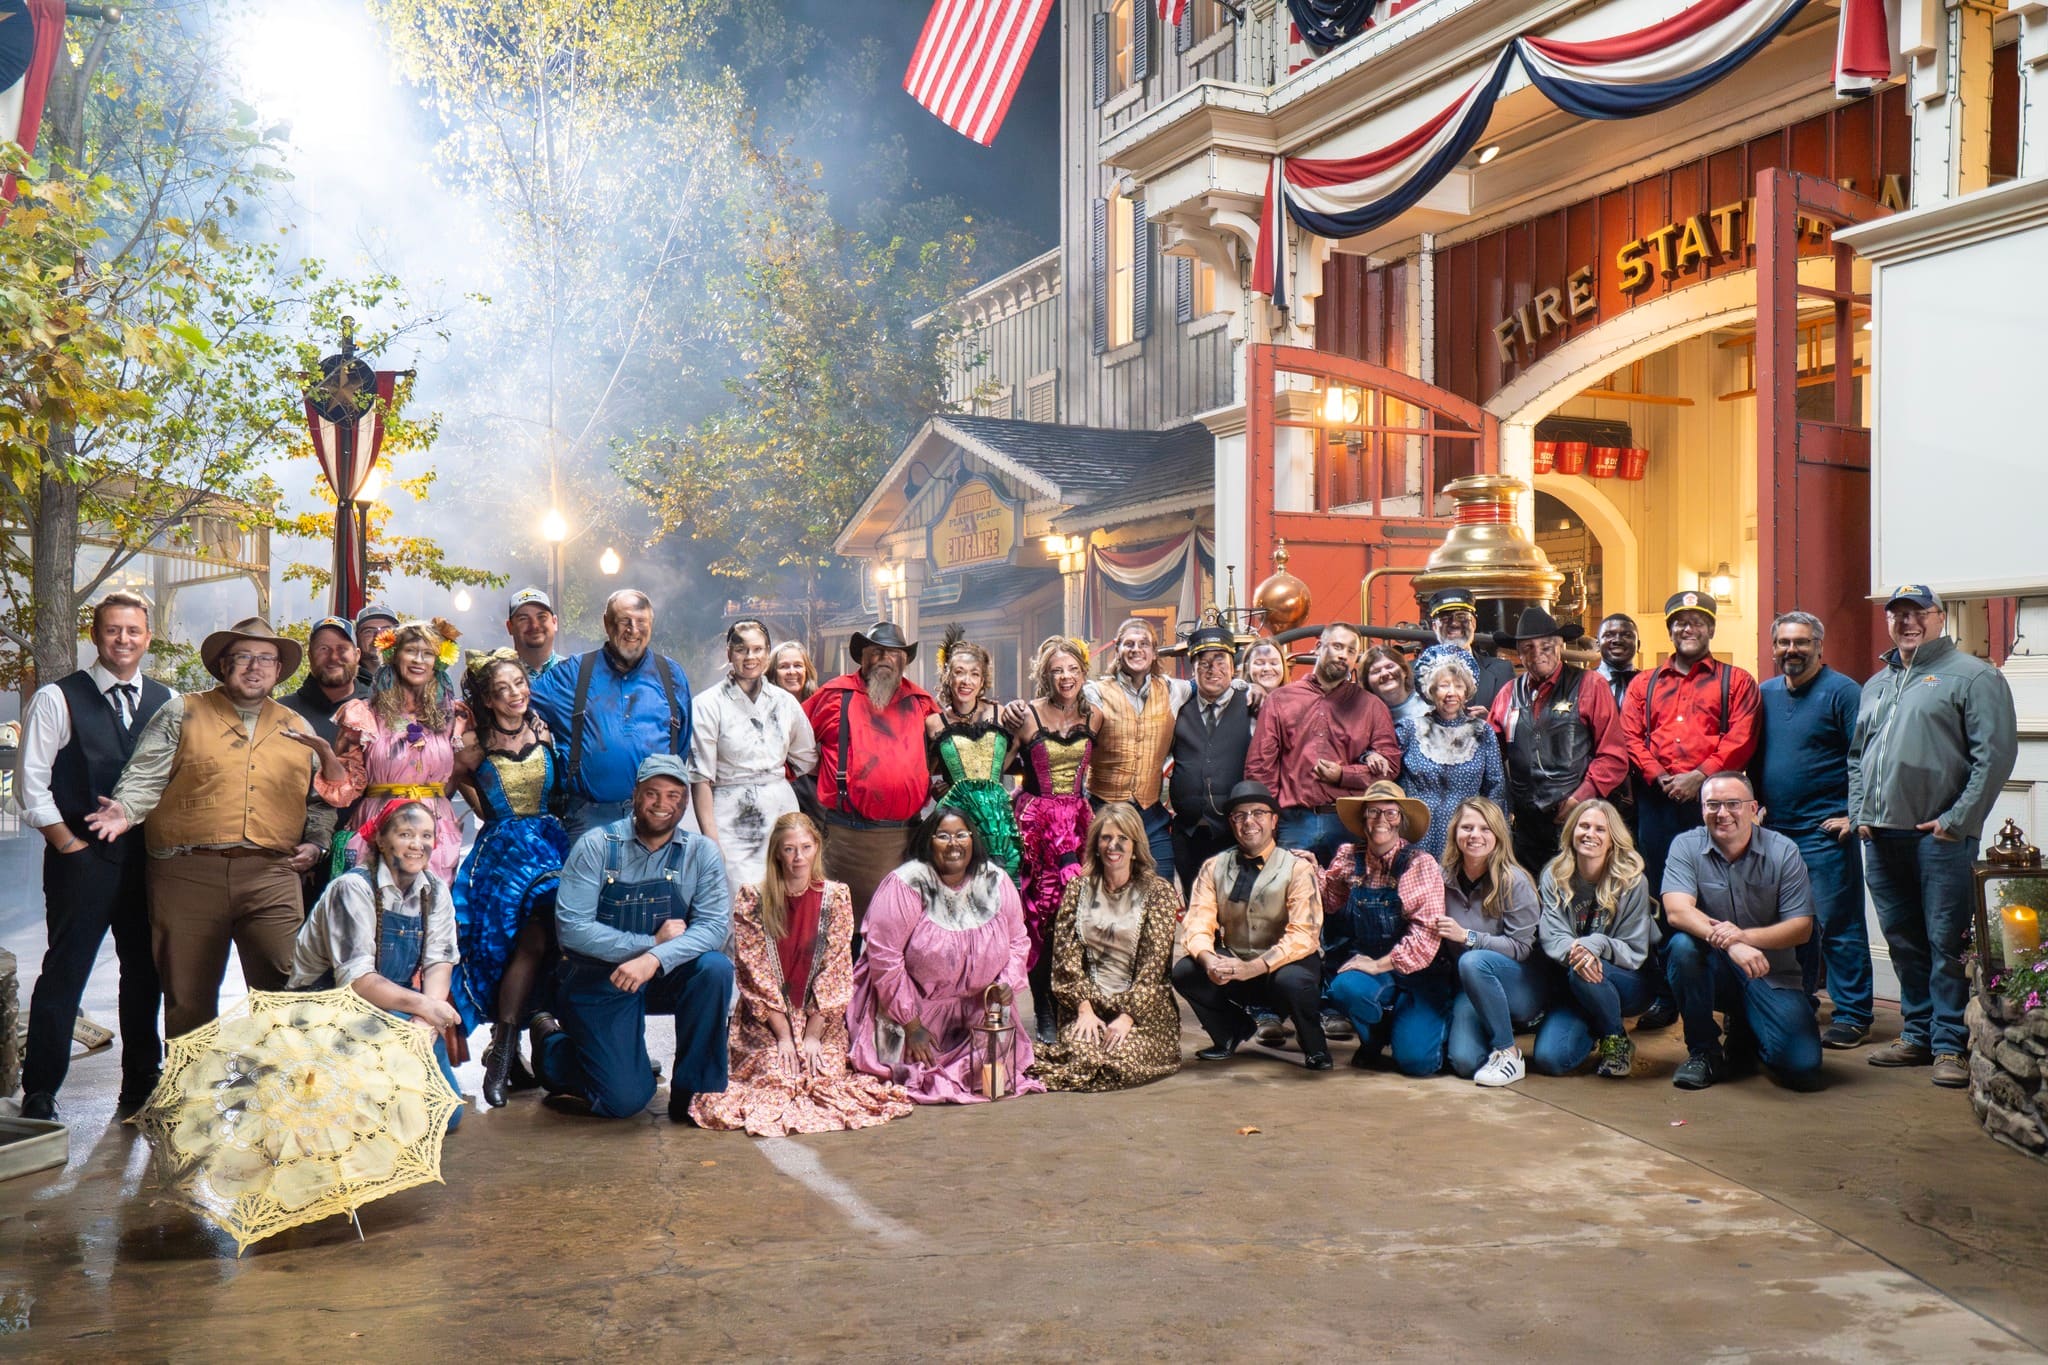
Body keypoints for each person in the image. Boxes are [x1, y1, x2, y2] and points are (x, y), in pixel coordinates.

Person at [84, 618, 341, 1039]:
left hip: (272, 874)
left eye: (265, 659)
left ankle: (278, 1096)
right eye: (243, 657)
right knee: (188, 996)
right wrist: (126, 810)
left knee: (287, 988)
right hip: (186, 873)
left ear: (278, 671)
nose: (254, 667)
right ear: (224, 665)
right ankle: (190, 1098)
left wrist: (315, 844)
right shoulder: (182, 711)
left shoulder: (298, 727)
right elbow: (145, 774)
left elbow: (319, 801)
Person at [1848, 584, 2018, 1089]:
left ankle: (1949, 1044)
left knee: (1946, 943)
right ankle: (1917, 1033)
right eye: (1897, 613)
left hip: (1939, 838)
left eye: (1918, 612)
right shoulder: (1876, 684)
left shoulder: (1974, 676)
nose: (1907, 622)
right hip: (1881, 836)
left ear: (1939, 617)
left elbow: (1995, 756)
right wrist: (1859, 811)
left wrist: (1956, 820)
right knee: (1903, 940)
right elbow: (1858, 756)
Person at [17, 591, 172, 1122]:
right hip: (79, 861)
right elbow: (31, 786)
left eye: (133, 631)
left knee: (144, 974)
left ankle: (141, 1082)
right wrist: (68, 844)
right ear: (95, 635)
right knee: (66, 972)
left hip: (147, 862)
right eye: (113, 630)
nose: (123, 640)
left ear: (148, 637)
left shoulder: (167, 701)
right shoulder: (58, 699)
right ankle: (39, 1089)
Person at [532, 755, 734, 1121]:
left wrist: (655, 959)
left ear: (685, 802)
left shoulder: (701, 853)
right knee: (624, 1100)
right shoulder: (596, 846)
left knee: (714, 969)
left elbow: (715, 927)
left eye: (673, 795)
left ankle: (691, 1093)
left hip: (659, 975)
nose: (662, 804)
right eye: (652, 793)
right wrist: (650, 944)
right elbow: (572, 929)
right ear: (635, 796)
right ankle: (551, 1045)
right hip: (600, 979)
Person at [688, 813, 914, 1135]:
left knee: (820, 1072)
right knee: (776, 1073)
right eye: (789, 849)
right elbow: (755, 973)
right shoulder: (753, 897)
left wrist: (811, 1035)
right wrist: (783, 1036)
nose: (798, 858)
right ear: (777, 852)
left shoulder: (836, 896)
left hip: (819, 1018)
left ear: (816, 848)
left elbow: (836, 969)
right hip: (767, 1019)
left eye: (806, 847)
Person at [1621, 590, 1759, 1030]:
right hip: (1658, 803)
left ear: (1711, 628)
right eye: (1679, 622)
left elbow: (1741, 736)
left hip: (1715, 804)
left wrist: (1700, 776)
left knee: (1724, 892)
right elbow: (1631, 737)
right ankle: (1668, 993)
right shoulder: (1644, 684)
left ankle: (1733, 994)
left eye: (1696, 621)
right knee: (1662, 898)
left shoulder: (1736, 681)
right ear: (1670, 630)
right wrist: (1659, 776)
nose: (1687, 628)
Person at [846, 808, 1044, 1103]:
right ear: (928, 841)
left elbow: (1018, 941)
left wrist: (1007, 984)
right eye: (943, 836)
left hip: (979, 1010)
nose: (954, 844)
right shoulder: (906, 884)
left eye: (961, 835)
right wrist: (911, 1025)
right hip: (910, 1010)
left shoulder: (996, 881)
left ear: (973, 840)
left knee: (994, 1078)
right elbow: (884, 959)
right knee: (904, 1073)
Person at [288, 800, 464, 1129]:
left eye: (427, 835)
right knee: (373, 1119)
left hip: (396, 1003)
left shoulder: (435, 890)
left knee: (446, 1116)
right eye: (406, 834)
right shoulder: (352, 888)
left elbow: (439, 961)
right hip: (331, 1004)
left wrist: (425, 1021)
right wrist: (424, 1005)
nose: (418, 844)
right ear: (381, 840)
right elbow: (357, 981)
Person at [449, 650, 570, 1107]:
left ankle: (512, 1052)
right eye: (503, 689)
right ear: (486, 697)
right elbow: (443, 786)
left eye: (520, 684)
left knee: (545, 941)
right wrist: (474, 806)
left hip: (550, 843)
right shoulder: (474, 746)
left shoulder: (544, 731)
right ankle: (502, 1055)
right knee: (512, 947)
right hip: (501, 856)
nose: (515, 694)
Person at [1753, 610, 1871, 1050]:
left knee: (1838, 924)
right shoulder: (1764, 693)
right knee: (1788, 926)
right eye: (1783, 643)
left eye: (1801, 642)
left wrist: (1853, 814)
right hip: (1776, 833)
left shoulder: (1842, 692)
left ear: (1819, 647)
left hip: (1825, 832)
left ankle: (1854, 1012)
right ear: (1773, 648)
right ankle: (1799, 1001)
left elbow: (1865, 758)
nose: (1791, 651)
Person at [1661, 773, 1823, 1091]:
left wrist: (1743, 938)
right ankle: (1703, 1052)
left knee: (1801, 1068)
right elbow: (1677, 911)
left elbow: (1802, 928)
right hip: (1717, 970)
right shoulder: (1685, 846)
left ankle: (1748, 1027)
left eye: (1733, 804)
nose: (1722, 813)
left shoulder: (1783, 852)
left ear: (1753, 809)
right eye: (1713, 805)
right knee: (1682, 948)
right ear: (1701, 809)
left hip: (1770, 973)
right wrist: (1731, 944)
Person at [1173, 782, 1331, 1068]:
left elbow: (1304, 936)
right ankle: (1230, 1032)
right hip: (1236, 964)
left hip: (1283, 968)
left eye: (1258, 813)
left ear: (1273, 821)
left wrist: (1254, 968)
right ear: (1232, 824)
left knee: (1294, 981)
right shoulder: (1214, 867)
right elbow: (1197, 922)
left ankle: (1314, 1046)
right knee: (1185, 970)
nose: (1249, 822)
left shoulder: (1298, 868)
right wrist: (1209, 961)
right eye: (1239, 815)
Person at [1029, 802, 1183, 1092]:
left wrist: (1127, 1018)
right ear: (1096, 844)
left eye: (1123, 839)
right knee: (1085, 1057)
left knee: (1119, 1060)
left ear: (1136, 846)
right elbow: (1066, 960)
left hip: (1143, 1013)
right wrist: (1084, 1010)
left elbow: (1154, 968)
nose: (1114, 845)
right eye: (1106, 838)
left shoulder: (1158, 892)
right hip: (1090, 1007)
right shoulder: (1078, 889)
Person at [801, 621, 937, 931]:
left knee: (895, 935)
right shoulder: (835, 695)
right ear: (863, 657)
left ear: (904, 660)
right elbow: (792, 740)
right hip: (847, 842)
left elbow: (951, 745)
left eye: (893, 653)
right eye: (876, 652)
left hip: (903, 843)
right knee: (838, 935)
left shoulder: (920, 702)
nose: (885, 659)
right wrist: (819, 768)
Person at [530, 588, 695, 841]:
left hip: (656, 817)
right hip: (589, 818)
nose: (633, 629)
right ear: (606, 623)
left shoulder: (671, 675)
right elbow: (514, 700)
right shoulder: (574, 673)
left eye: (642, 621)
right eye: (624, 621)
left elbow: (681, 743)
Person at [1318, 782, 1452, 1075]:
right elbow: (1329, 901)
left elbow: (1425, 938)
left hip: (1420, 974)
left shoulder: (1420, 864)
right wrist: (1309, 871)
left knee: (1418, 1065)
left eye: (1390, 813)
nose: (1381, 820)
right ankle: (1378, 1034)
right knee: (1343, 988)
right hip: (1372, 968)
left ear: (1401, 821)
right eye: (1373, 812)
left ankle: (1431, 1025)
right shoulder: (1348, 856)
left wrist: (1378, 965)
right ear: (1363, 820)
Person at [326, 618, 473, 886]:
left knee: (430, 915)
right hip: (380, 823)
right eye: (411, 651)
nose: (419, 660)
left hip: (435, 829)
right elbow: (345, 786)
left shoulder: (455, 716)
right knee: (377, 914)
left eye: (427, 653)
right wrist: (325, 754)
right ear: (394, 656)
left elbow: (470, 767)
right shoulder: (365, 714)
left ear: (437, 662)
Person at [1245, 621, 1400, 867]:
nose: (1343, 655)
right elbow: (1260, 768)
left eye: (1351, 651)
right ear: (1318, 647)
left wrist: (1343, 775)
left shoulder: (1371, 706)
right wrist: (1266, 819)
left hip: (1349, 821)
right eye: (1337, 646)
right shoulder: (1280, 700)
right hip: (1294, 821)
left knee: (1348, 902)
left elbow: (1390, 767)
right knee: (1291, 899)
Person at [1007, 636, 1100, 1041]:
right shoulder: (1027, 716)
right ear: (1045, 674)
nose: (1065, 676)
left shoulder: (1095, 716)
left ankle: (1071, 1005)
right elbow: (1000, 761)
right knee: (1040, 919)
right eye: (1057, 670)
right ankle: (1043, 1010)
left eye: (1072, 669)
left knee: (1075, 919)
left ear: (1083, 673)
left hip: (1078, 824)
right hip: (1038, 824)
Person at [1488, 607, 1627, 875]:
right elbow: (1491, 751)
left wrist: (1578, 800)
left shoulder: (1590, 685)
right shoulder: (1508, 693)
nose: (1537, 653)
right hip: (1525, 828)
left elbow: (1613, 757)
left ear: (1560, 645)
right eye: (1527, 647)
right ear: (1517, 653)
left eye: (1546, 645)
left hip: (1578, 821)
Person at [689, 617, 819, 894]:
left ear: (767, 652)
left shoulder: (784, 702)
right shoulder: (706, 704)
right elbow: (700, 778)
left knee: (787, 891)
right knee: (741, 896)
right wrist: (711, 841)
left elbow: (806, 758)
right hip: (730, 815)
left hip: (781, 808)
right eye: (741, 649)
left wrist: (774, 774)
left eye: (758, 649)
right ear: (729, 654)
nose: (750, 657)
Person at [1529, 800, 1656, 1079]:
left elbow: (1634, 949)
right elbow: (1553, 935)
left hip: (1628, 980)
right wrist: (1581, 951)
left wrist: (1595, 944)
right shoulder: (1554, 874)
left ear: (1612, 840)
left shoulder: (1632, 880)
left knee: (1582, 971)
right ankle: (1597, 1020)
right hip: (1576, 979)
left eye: (1600, 829)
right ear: (1571, 832)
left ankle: (1616, 1038)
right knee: (1551, 1060)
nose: (1590, 834)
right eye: (1583, 826)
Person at [1434, 797, 1544, 1086]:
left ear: (1498, 835)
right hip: (1470, 985)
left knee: (1473, 959)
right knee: (1464, 1062)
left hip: (1518, 983)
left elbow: (1521, 949)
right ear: (1454, 832)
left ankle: (1508, 1052)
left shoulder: (1515, 881)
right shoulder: (1442, 877)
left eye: (1485, 829)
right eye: (1467, 827)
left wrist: (1468, 937)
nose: (1475, 836)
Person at [1081, 618, 1188, 884]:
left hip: (1151, 816)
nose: (1136, 649)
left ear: (1154, 652)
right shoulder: (1095, 692)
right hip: (1103, 811)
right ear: (1117, 649)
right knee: (1105, 890)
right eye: (1128, 644)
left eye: (1144, 644)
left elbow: (1213, 689)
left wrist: (1249, 687)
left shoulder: (1174, 689)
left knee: (1160, 889)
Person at [926, 625, 1023, 882]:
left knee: (999, 885)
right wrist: (939, 788)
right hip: (955, 820)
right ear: (948, 677)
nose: (966, 680)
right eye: (959, 673)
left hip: (996, 818)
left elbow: (1018, 747)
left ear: (982, 681)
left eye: (974, 674)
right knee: (960, 884)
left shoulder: (1000, 713)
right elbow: (925, 769)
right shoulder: (934, 723)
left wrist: (996, 777)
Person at [1168, 623, 1253, 898]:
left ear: (1233, 667)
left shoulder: (1251, 702)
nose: (1212, 669)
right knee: (1197, 911)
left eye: (1220, 661)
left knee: (1236, 909)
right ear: (1193, 670)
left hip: (1236, 832)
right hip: (1188, 834)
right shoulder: (1179, 707)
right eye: (1203, 663)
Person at [1397, 654, 1507, 860]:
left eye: (1458, 686)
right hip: (1418, 833)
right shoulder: (1409, 730)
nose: (1451, 693)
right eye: (1443, 686)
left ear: (1466, 692)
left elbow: (1495, 789)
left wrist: (1495, 837)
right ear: (1430, 691)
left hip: (1467, 834)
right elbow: (1389, 775)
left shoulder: (1482, 732)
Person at [1412, 589, 1513, 711]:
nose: (1454, 623)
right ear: (1434, 627)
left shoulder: (1501, 671)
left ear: (1474, 623)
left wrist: (1489, 721)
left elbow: (1510, 722)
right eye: (1445, 618)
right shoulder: (1412, 674)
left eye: (1462, 617)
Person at [278, 615, 371, 744]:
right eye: (324, 649)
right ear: (310, 656)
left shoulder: (378, 708)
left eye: (342, 649)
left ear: (357, 655)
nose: (333, 657)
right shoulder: (282, 711)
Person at [1595, 613, 1643, 832]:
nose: (1617, 639)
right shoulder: (1582, 684)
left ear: (1638, 644)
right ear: (1597, 643)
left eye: (1626, 635)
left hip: (1643, 789)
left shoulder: (1651, 684)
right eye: (1609, 634)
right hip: (1597, 789)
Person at [506, 586, 566, 679]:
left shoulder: (574, 673)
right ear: (510, 627)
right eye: (523, 619)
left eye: (542, 617)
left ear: (554, 622)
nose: (534, 626)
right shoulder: (496, 680)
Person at [1363, 645, 1427, 729]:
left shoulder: (1430, 702)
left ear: (1404, 671)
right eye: (1376, 671)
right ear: (1367, 682)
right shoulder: (1367, 720)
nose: (1384, 673)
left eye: (1390, 666)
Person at [353, 602, 399, 689]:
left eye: (386, 630)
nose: (378, 636)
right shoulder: (346, 680)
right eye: (369, 631)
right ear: (356, 638)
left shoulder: (411, 676)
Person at [1240, 638, 1287, 707]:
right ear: (1247, 667)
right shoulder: (1236, 699)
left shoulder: (1295, 700)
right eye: (1259, 663)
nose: (1267, 668)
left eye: (1274, 663)